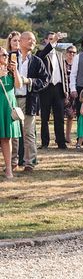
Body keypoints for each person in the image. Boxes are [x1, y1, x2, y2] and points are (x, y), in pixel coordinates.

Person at [11, 32, 49, 172]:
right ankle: (13, 162)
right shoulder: (10, 57)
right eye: (29, 39)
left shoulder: (37, 61)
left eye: (34, 40)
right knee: (13, 132)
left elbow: (45, 80)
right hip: (12, 99)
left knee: (29, 132)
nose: (32, 42)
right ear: (20, 41)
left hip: (29, 100)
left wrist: (29, 81)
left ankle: (29, 163)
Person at [36, 32, 69, 149]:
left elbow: (64, 73)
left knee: (59, 117)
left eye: (54, 39)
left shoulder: (60, 54)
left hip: (59, 88)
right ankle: (45, 142)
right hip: (46, 88)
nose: (53, 41)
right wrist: (52, 43)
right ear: (45, 40)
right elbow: (42, 55)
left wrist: (66, 91)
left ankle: (61, 142)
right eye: (50, 39)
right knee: (44, 117)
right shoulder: (41, 53)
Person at [0, 46, 23, 179]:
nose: (6, 57)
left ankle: (9, 169)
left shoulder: (10, 70)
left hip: (8, 106)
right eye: (3, 55)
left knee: (6, 138)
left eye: (7, 55)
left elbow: (19, 85)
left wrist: (15, 70)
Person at [63, 45, 77, 144]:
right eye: (70, 52)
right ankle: (60, 136)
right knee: (59, 116)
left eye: (74, 52)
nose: (71, 54)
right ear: (66, 53)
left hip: (73, 92)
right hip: (62, 92)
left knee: (71, 115)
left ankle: (68, 136)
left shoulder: (76, 64)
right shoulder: (62, 64)